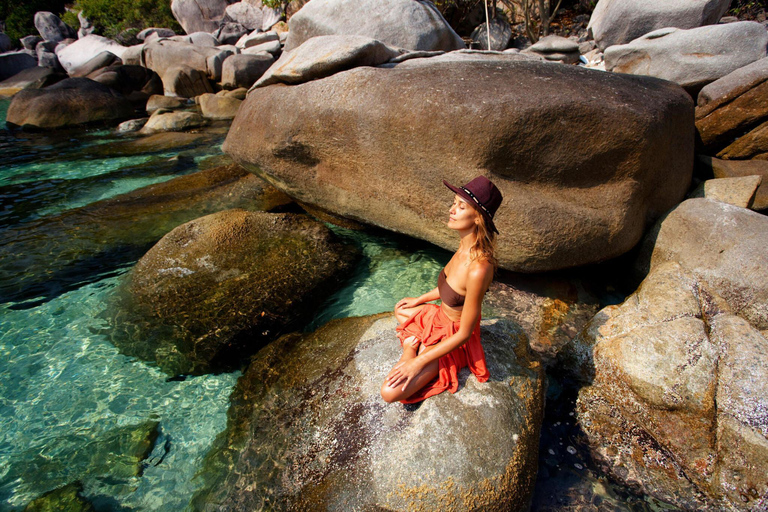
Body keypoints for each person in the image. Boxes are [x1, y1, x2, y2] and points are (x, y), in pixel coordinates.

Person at [381, 176, 503, 404]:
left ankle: (412, 348)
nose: (451, 210)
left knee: (389, 393)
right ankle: (414, 345)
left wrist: (415, 362)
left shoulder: (479, 269)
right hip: (439, 317)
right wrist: (420, 299)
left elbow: (464, 333)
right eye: (454, 203)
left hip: (454, 337)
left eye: (461, 206)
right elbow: (450, 289)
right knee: (402, 309)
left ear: (477, 217)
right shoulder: (463, 246)